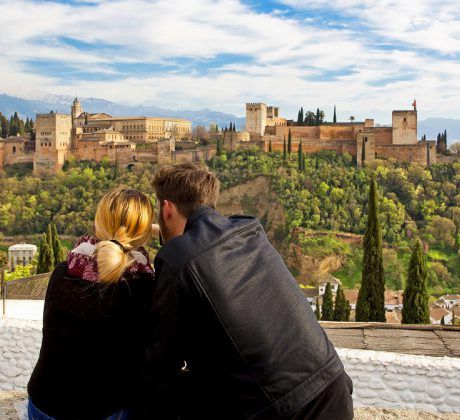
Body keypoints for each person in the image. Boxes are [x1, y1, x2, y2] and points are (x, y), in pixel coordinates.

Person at [145, 163, 354, 419]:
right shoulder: (249, 229)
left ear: (166, 208)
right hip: (334, 390)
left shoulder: (177, 259)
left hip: (283, 411)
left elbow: (160, 359)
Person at [27, 187, 156, 420]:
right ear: (145, 231)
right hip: (104, 409)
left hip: (43, 402)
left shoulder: (63, 270)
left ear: (98, 221)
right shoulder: (142, 284)